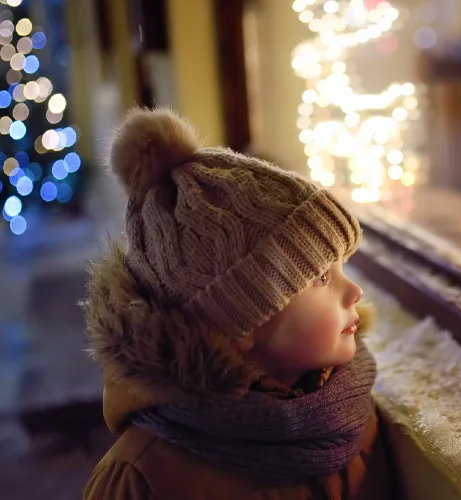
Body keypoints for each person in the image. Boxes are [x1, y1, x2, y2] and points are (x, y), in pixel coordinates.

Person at [82, 108, 397, 499]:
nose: (355, 292)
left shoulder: (348, 408)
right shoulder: (143, 479)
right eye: (320, 278)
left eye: (341, 267)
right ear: (238, 323)